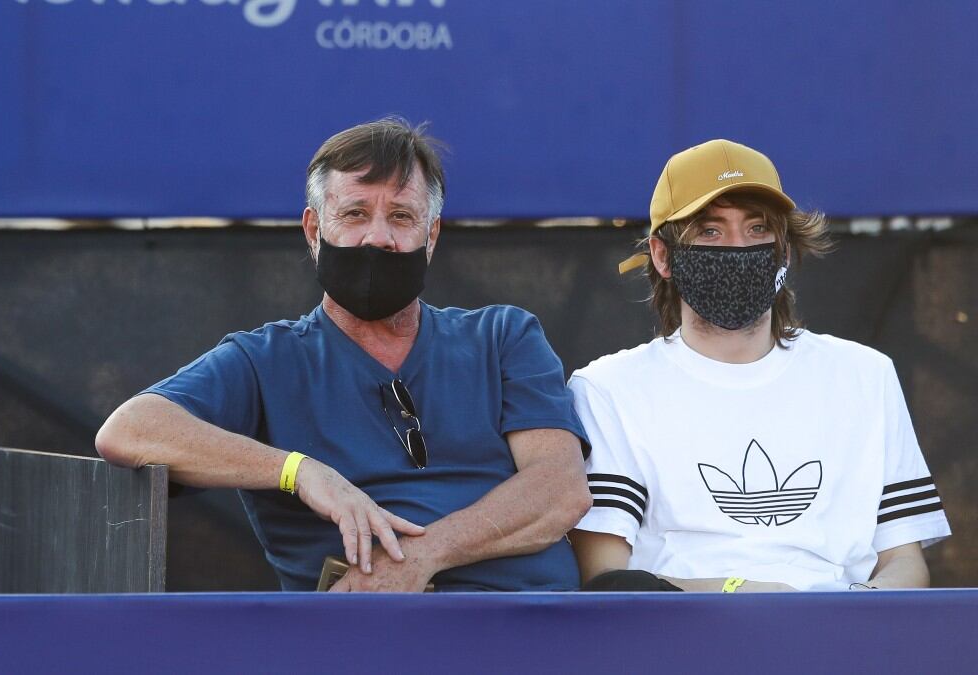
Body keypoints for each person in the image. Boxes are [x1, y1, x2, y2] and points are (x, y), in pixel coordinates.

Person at [97, 117, 591, 592]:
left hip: (532, 627)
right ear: (314, 231)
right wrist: (300, 471)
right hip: (365, 636)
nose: (378, 237)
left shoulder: (503, 335)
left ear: (431, 236)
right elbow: (129, 429)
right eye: (354, 214)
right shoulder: (265, 360)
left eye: (401, 216)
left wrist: (425, 556)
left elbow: (558, 490)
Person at [569, 139, 951, 592]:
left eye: (757, 230)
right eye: (710, 231)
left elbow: (904, 560)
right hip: (683, 647)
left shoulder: (866, 375)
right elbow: (608, 577)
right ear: (662, 255)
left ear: (785, 251)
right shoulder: (608, 388)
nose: (737, 246)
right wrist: (747, 594)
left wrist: (850, 617)